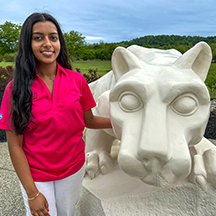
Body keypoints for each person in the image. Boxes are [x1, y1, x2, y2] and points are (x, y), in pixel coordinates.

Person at [0, 12, 112, 216]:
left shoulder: (76, 80)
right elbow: (15, 146)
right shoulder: (14, 89)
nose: (47, 43)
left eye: (53, 37)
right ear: (27, 43)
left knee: (66, 213)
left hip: (72, 169)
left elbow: (90, 120)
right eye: (38, 37)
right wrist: (32, 194)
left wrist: (122, 122)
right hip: (36, 174)